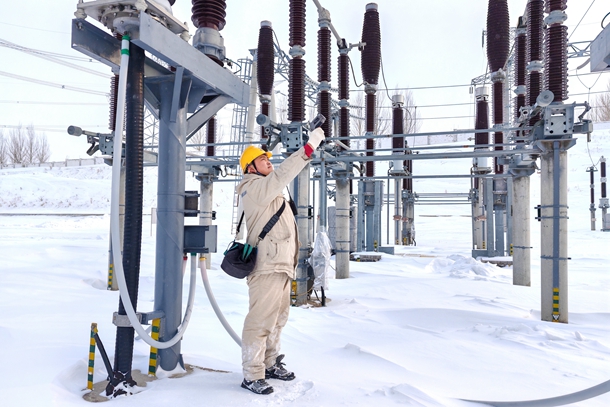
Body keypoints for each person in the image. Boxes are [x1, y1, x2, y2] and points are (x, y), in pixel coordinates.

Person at [236, 127, 325, 395]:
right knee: (260, 321)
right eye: (262, 159)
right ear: (250, 167)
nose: (269, 162)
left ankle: (270, 363)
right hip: (266, 267)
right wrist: (308, 148)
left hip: (281, 265)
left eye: (268, 158)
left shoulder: (269, 191)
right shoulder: (253, 188)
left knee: (277, 319)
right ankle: (252, 374)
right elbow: (283, 173)